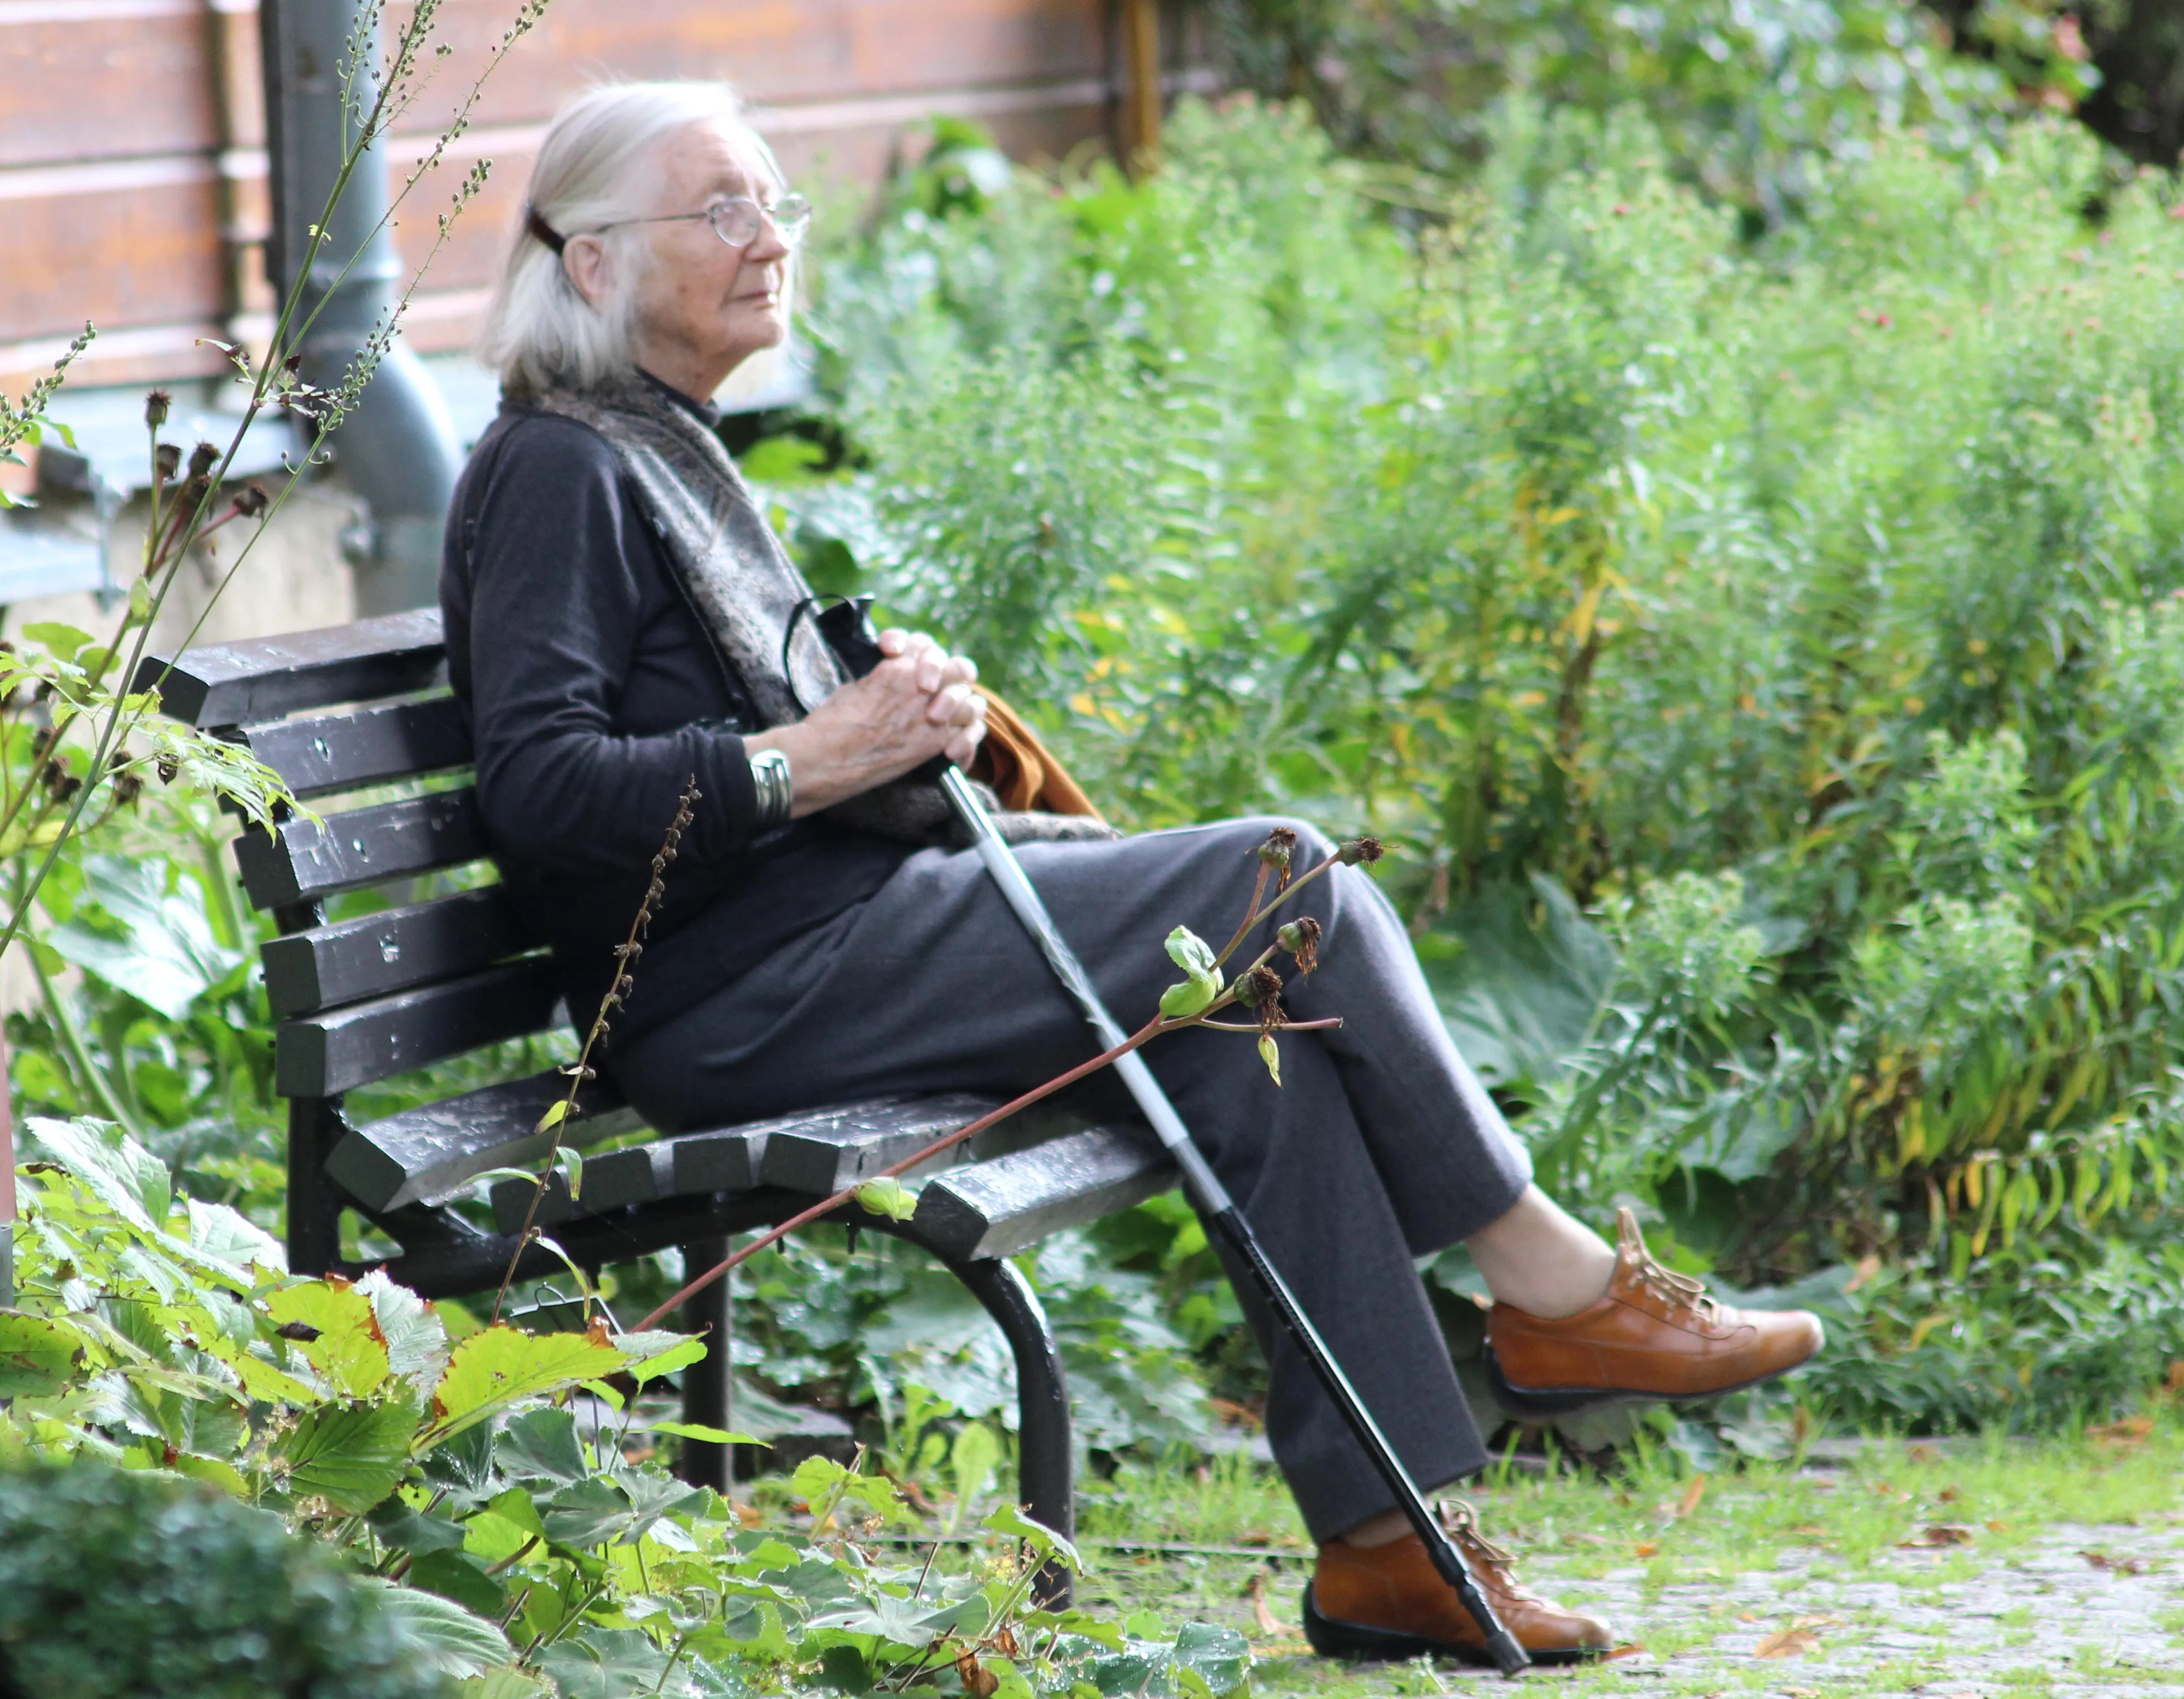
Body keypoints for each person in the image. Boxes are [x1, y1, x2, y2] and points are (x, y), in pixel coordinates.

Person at [439, 80, 1824, 1668]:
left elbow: (724, 728)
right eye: (723, 209)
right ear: (595, 263)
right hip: (745, 999)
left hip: (831, 942)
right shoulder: (557, 469)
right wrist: (820, 753)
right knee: (1280, 885)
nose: (771, 241)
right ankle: (1553, 1286)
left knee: (1249, 1029)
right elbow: (544, 795)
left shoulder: (658, 446)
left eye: (777, 204)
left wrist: (892, 717)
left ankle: (1389, 1549)